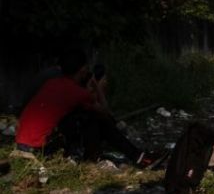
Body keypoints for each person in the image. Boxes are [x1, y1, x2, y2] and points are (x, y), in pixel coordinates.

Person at [15, 48, 156, 166]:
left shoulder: (51, 83)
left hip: (22, 144)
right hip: (41, 149)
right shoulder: (78, 92)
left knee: (82, 115)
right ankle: (135, 157)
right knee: (94, 118)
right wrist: (98, 87)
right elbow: (106, 113)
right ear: (83, 70)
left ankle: (133, 156)